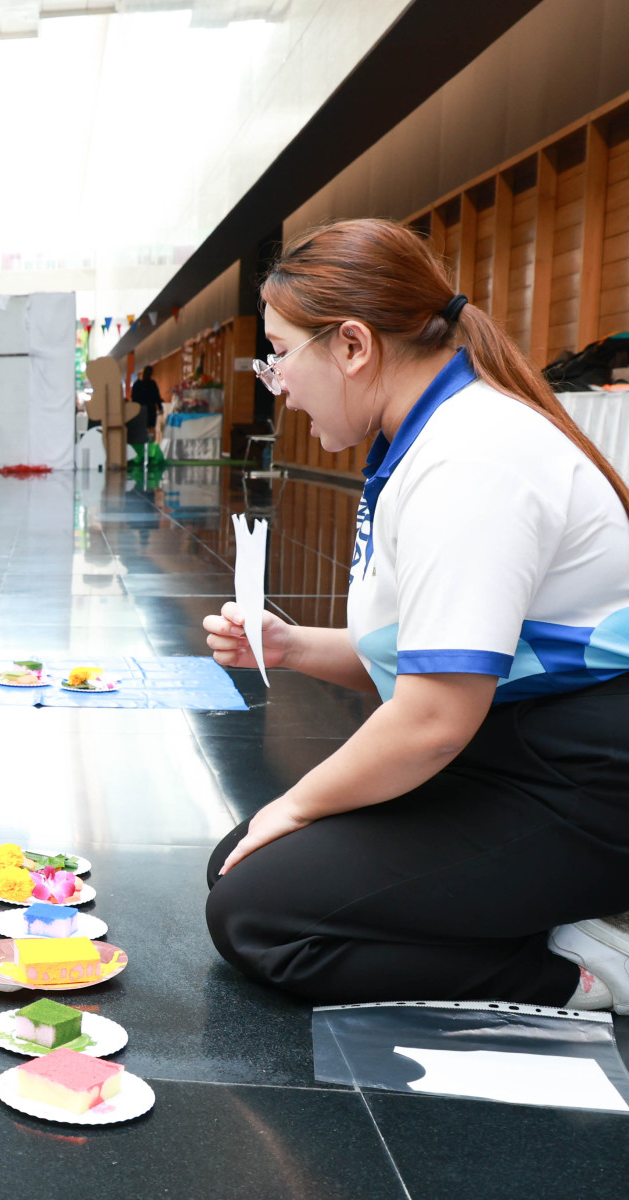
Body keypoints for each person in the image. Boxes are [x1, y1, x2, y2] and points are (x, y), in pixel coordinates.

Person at [201, 218, 629, 1011]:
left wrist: (293, 804)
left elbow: (432, 720)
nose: (277, 383)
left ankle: (581, 973)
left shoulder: (472, 458)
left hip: (587, 786)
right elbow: (431, 655)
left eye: (279, 355)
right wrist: (290, 646)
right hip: (512, 754)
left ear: (353, 346)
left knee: (255, 913)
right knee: (241, 863)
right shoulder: (430, 436)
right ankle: (531, 917)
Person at [128, 366, 162, 467]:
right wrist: (160, 407)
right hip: (150, 409)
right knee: (151, 429)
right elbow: (157, 396)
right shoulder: (152, 384)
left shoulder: (137, 384)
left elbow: (133, 398)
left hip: (140, 410)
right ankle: (151, 451)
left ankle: (139, 451)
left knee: (141, 429)